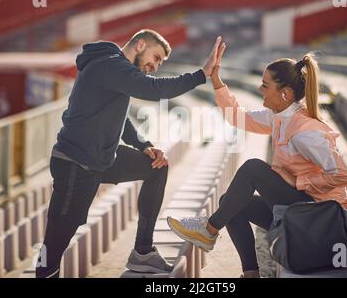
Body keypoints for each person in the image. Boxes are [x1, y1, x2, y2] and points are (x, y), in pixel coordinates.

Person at [36, 30, 222, 278]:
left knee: (156, 166)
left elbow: (119, 117)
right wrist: (201, 75)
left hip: (101, 159)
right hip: (75, 163)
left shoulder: (115, 70)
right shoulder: (109, 65)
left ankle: (142, 253)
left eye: (159, 63)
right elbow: (154, 89)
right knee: (55, 244)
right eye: (155, 57)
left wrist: (143, 145)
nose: (154, 66)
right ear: (140, 44)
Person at [167, 39, 347, 278]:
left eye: (265, 85)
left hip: (323, 223)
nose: (259, 90)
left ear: (285, 93)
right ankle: (250, 274)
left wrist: (298, 182)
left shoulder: (307, 132)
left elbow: (343, 175)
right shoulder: (278, 116)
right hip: (304, 215)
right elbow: (238, 117)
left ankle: (209, 229)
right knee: (232, 202)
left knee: (253, 169)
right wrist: (216, 81)